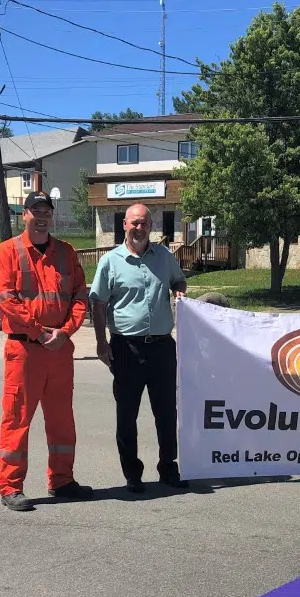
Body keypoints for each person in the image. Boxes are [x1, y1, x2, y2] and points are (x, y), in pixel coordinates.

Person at [0, 190, 94, 510]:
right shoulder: (7, 252)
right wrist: (37, 332)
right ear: (24, 215)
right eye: (35, 210)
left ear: (52, 215)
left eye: (46, 210)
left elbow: (79, 296)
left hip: (60, 350)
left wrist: (66, 331)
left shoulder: (66, 252)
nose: (41, 216)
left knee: (62, 420)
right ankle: (10, 486)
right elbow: (5, 299)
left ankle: (62, 481)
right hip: (25, 350)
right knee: (17, 419)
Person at [89, 204, 189, 493]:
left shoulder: (164, 256)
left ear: (150, 225)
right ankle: (132, 473)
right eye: (134, 222)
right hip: (126, 347)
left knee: (166, 412)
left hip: (161, 347)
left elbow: (178, 279)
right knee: (127, 414)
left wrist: (179, 289)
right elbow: (99, 305)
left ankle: (168, 468)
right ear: (124, 225)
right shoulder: (111, 261)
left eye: (144, 222)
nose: (139, 227)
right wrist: (100, 343)